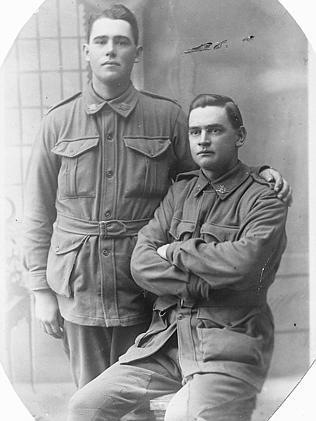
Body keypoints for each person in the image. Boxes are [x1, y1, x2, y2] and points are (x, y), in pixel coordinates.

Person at [23, 4, 289, 394]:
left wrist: (259, 174)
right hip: (78, 284)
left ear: (137, 52)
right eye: (101, 41)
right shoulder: (57, 123)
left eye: (121, 41)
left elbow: (208, 173)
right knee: (91, 398)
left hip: (145, 286)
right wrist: (40, 291)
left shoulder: (166, 117)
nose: (111, 50)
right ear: (87, 51)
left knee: (139, 398)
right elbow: (36, 212)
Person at [67, 93, 288, 421]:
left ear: (239, 136)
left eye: (214, 130)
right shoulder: (180, 191)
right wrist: (207, 278)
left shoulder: (264, 199)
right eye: (195, 132)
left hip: (230, 342)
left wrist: (174, 251)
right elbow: (141, 263)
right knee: (84, 406)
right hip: (168, 341)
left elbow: (245, 265)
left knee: (180, 416)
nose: (203, 140)